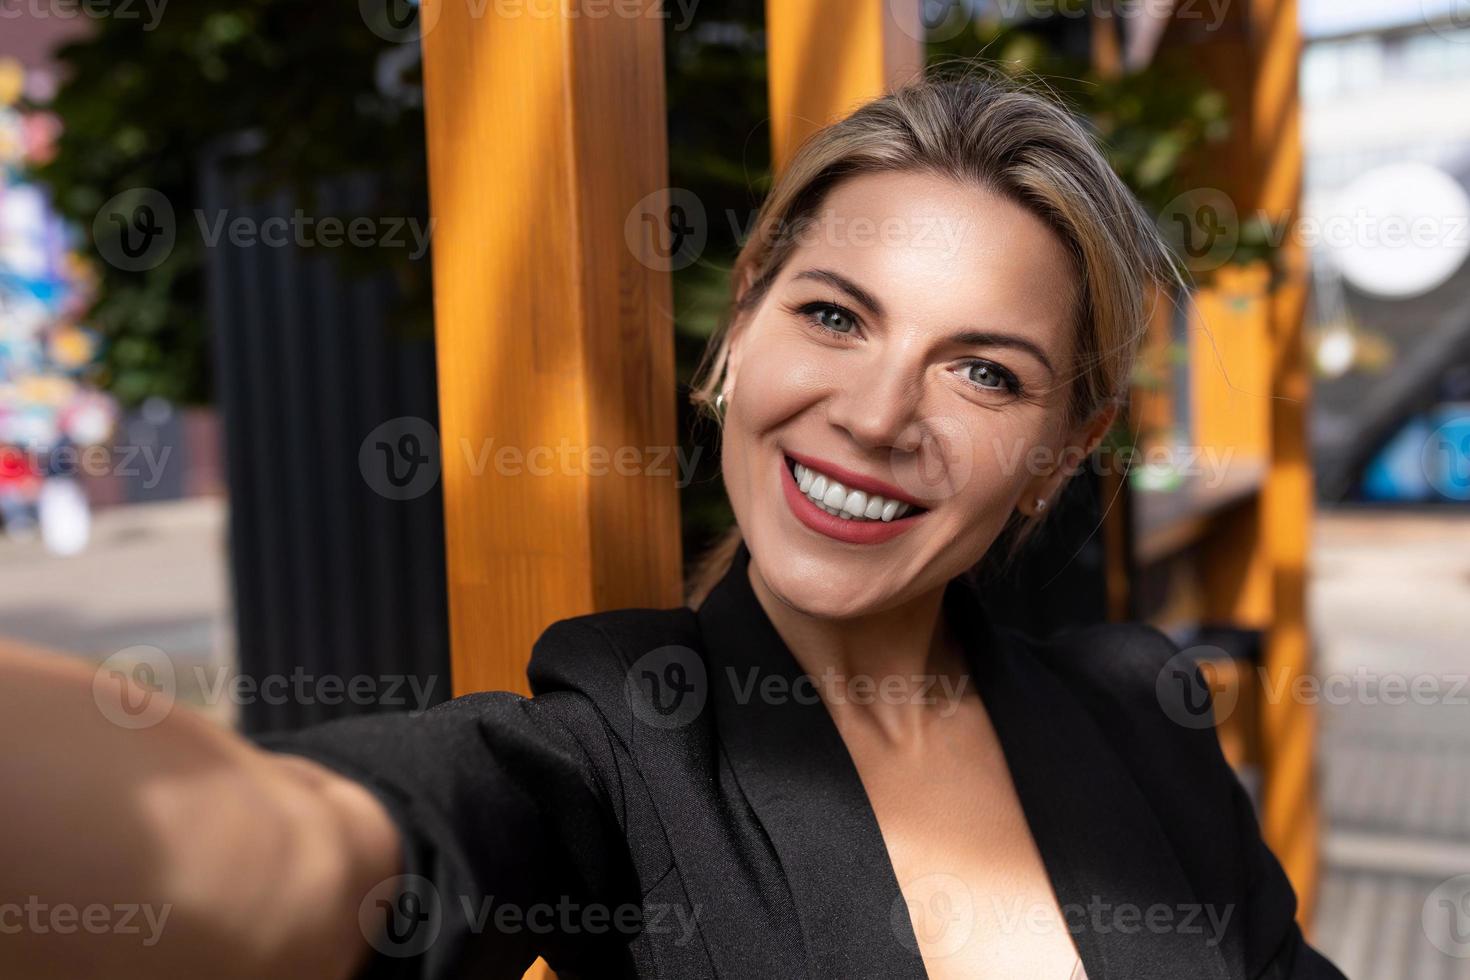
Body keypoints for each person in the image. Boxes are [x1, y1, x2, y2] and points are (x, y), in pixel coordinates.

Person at [0, 68, 1348, 980]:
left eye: (982, 369)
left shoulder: (1134, 705)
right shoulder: (613, 742)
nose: (876, 414)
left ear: (1062, 451)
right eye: (832, 315)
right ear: (740, 324)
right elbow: (307, 848)